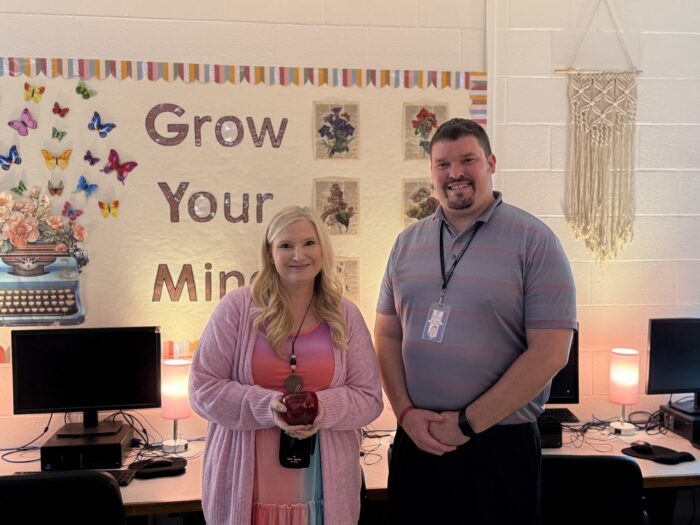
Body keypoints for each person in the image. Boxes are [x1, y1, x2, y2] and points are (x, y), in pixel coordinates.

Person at [375, 118, 577, 525]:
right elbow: (386, 333)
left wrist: (467, 424)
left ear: (491, 163)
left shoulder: (535, 243)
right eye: (442, 164)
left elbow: (551, 352)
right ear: (431, 172)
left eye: (468, 159)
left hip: (498, 448)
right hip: (418, 438)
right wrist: (405, 413)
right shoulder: (406, 243)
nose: (455, 173)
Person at [190, 205, 383, 525]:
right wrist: (270, 407)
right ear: (269, 253)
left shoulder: (345, 315)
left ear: (323, 248)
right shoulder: (236, 309)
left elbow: (369, 397)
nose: (299, 255)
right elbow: (202, 388)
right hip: (246, 485)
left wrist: (323, 409)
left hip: (323, 485)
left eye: (309, 243)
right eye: (285, 245)